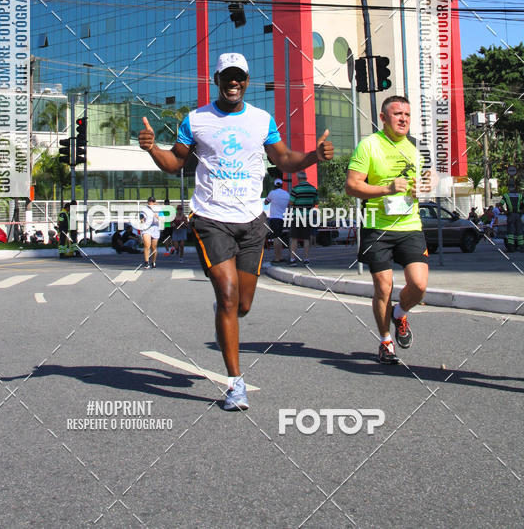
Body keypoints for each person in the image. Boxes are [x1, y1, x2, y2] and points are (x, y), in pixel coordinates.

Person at [139, 52, 334, 410]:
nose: (233, 82)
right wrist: (153, 149)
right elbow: (175, 164)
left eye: (239, 77)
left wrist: (312, 157)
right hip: (211, 219)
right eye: (227, 76)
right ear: (217, 80)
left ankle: (225, 308)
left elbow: (283, 159)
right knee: (230, 297)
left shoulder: (261, 120)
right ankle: (235, 383)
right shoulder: (196, 120)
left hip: (252, 222)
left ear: (246, 81)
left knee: (242, 304)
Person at [345, 96, 430, 365]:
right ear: (383, 118)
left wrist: (426, 187)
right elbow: (351, 186)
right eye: (397, 114)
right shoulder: (368, 145)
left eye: (407, 113)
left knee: (418, 285)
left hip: (410, 225)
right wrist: (386, 189)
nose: (403, 118)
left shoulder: (416, 147)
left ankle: (400, 313)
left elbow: (429, 178)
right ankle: (385, 341)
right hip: (376, 226)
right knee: (383, 287)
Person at [288, 170, 319, 265]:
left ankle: (293, 259)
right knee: (306, 238)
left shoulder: (295, 189)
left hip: (297, 216)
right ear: (306, 178)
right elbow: (316, 202)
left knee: (294, 238)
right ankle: (306, 258)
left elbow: (291, 202)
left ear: (298, 179)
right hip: (308, 217)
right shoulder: (313, 189)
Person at [264, 178, 290, 263]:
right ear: (282, 185)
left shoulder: (272, 193)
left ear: (275, 185)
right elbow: (289, 204)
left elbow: (266, 202)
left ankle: (277, 258)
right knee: (279, 237)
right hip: (282, 218)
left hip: (274, 218)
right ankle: (280, 256)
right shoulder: (286, 194)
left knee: (276, 238)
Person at [141, 196, 161, 269]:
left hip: (155, 228)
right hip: (146, 228)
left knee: (154, 247)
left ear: (154, 202)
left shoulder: (159, 209)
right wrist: (142, 220)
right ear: (148, 202)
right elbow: (141, 216)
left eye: (152, 201)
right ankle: (146, 262)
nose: (151, 202)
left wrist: (158, 217)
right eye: (150, 201)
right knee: (147, 245)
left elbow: (164, 219)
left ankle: (153, 261)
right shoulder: (144, 209)